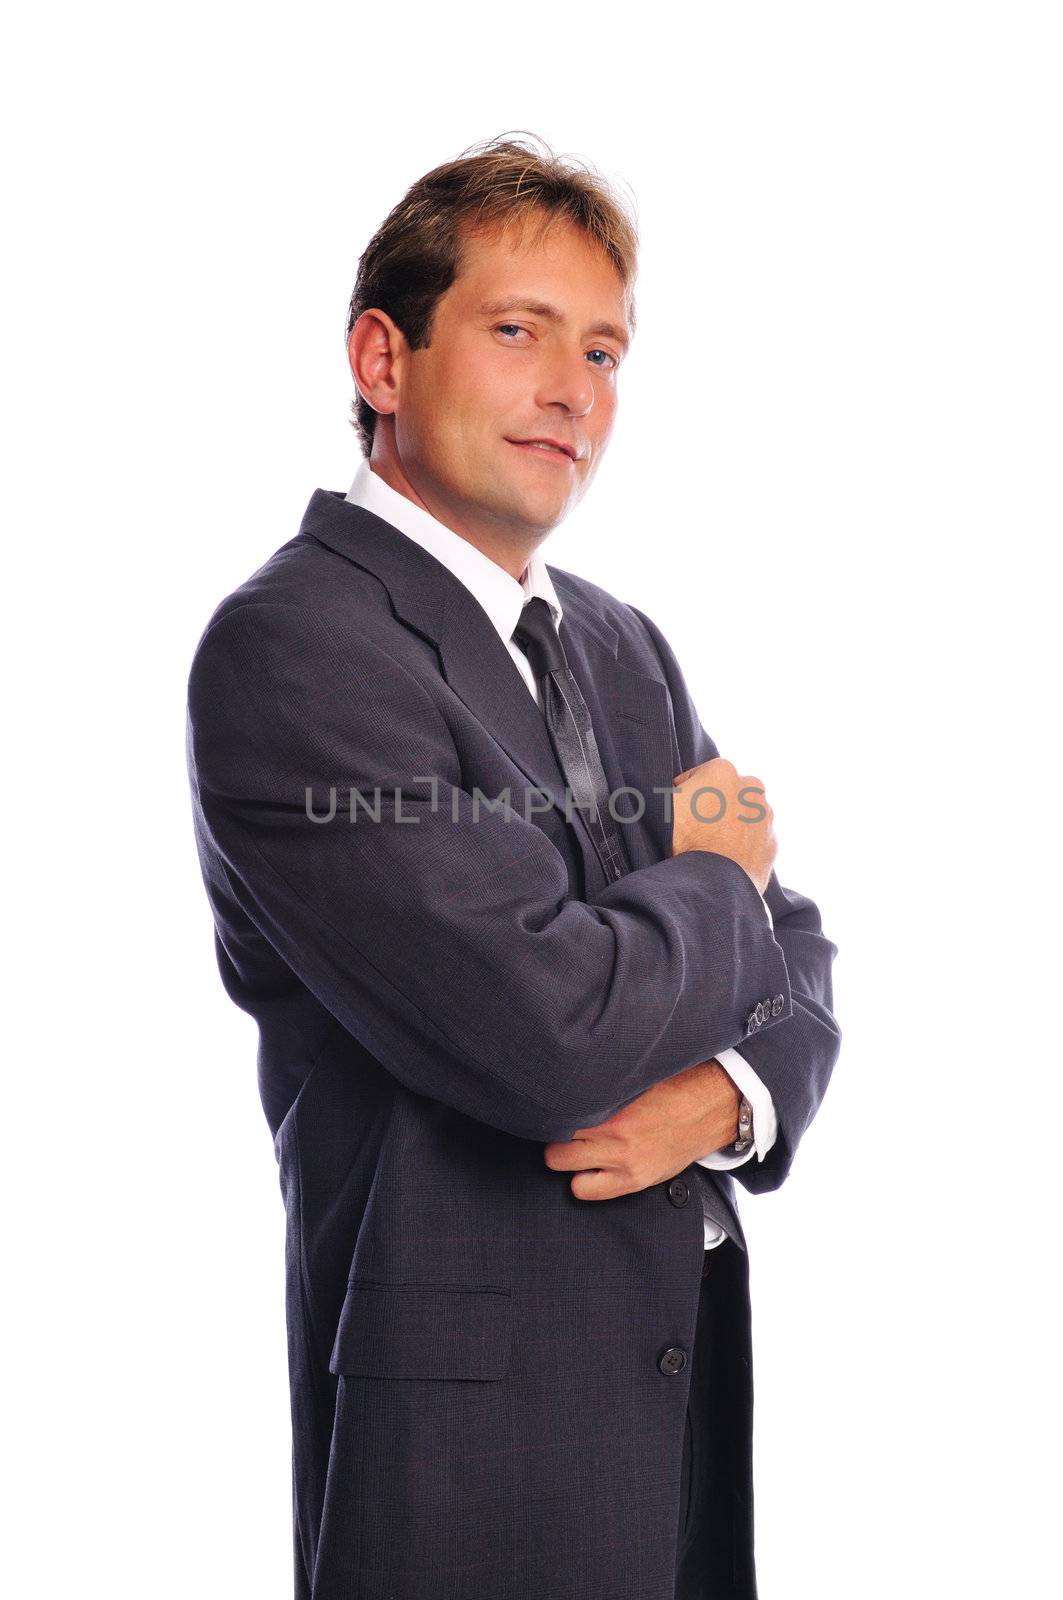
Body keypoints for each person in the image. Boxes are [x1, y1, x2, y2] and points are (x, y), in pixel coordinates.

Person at [185, 133, 841, 1600]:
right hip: (476, 1469)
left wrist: (721, 1103)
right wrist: (717, 881)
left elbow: (797, 963)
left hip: (675, 1395)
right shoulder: (297, 650)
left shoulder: (617, 640)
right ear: (383, 358)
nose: (574, 391)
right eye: (517, 331)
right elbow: (542, 1027)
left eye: (604, 349)